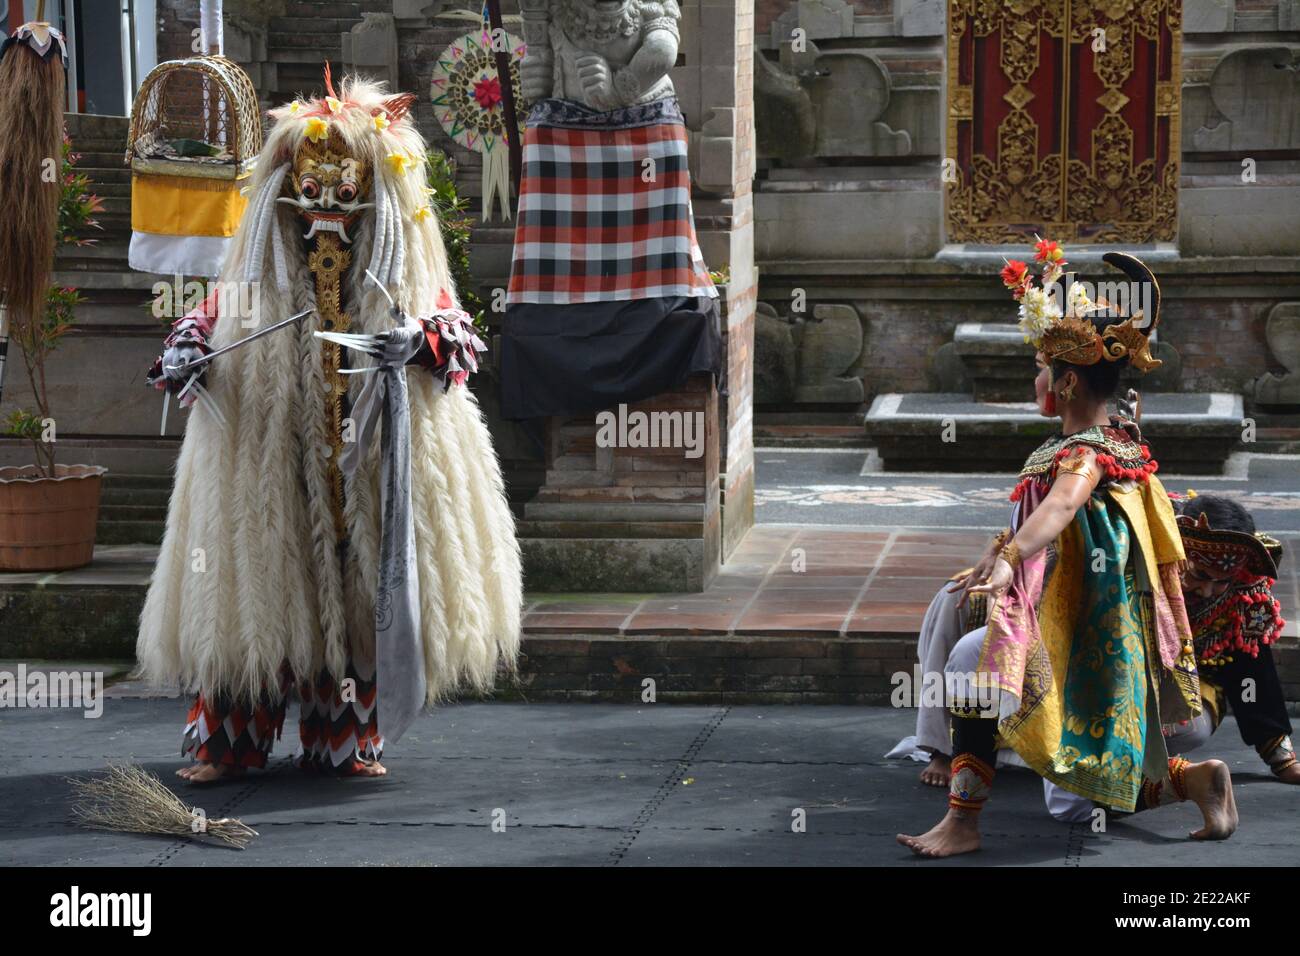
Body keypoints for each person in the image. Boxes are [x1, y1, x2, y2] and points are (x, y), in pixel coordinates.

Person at [135, 71, 523, 782]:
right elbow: (210, 317)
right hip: (266, 447)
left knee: (353, 596)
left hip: (367, 455)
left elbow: (454, 334)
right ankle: (230, 743)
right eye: (310, 192)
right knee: (251, 594)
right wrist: (188, 350)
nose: (323, 207)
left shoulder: (407, 266)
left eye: (343, 193)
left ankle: (345, 740)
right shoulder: (255, 269)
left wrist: (418, 345)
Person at [897, 243, 1236, 857]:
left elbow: (1060, 508)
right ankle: (1196, 779)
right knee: (1076, 800)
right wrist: (1001, 554)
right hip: (1097, 627)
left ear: (1068, 380)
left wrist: (1008, 556)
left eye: (1041, 367)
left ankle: (963, 821)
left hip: (1075, 635)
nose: (1036, 379)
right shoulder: (1122, 445)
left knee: (977, 660)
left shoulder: (1081, 455)